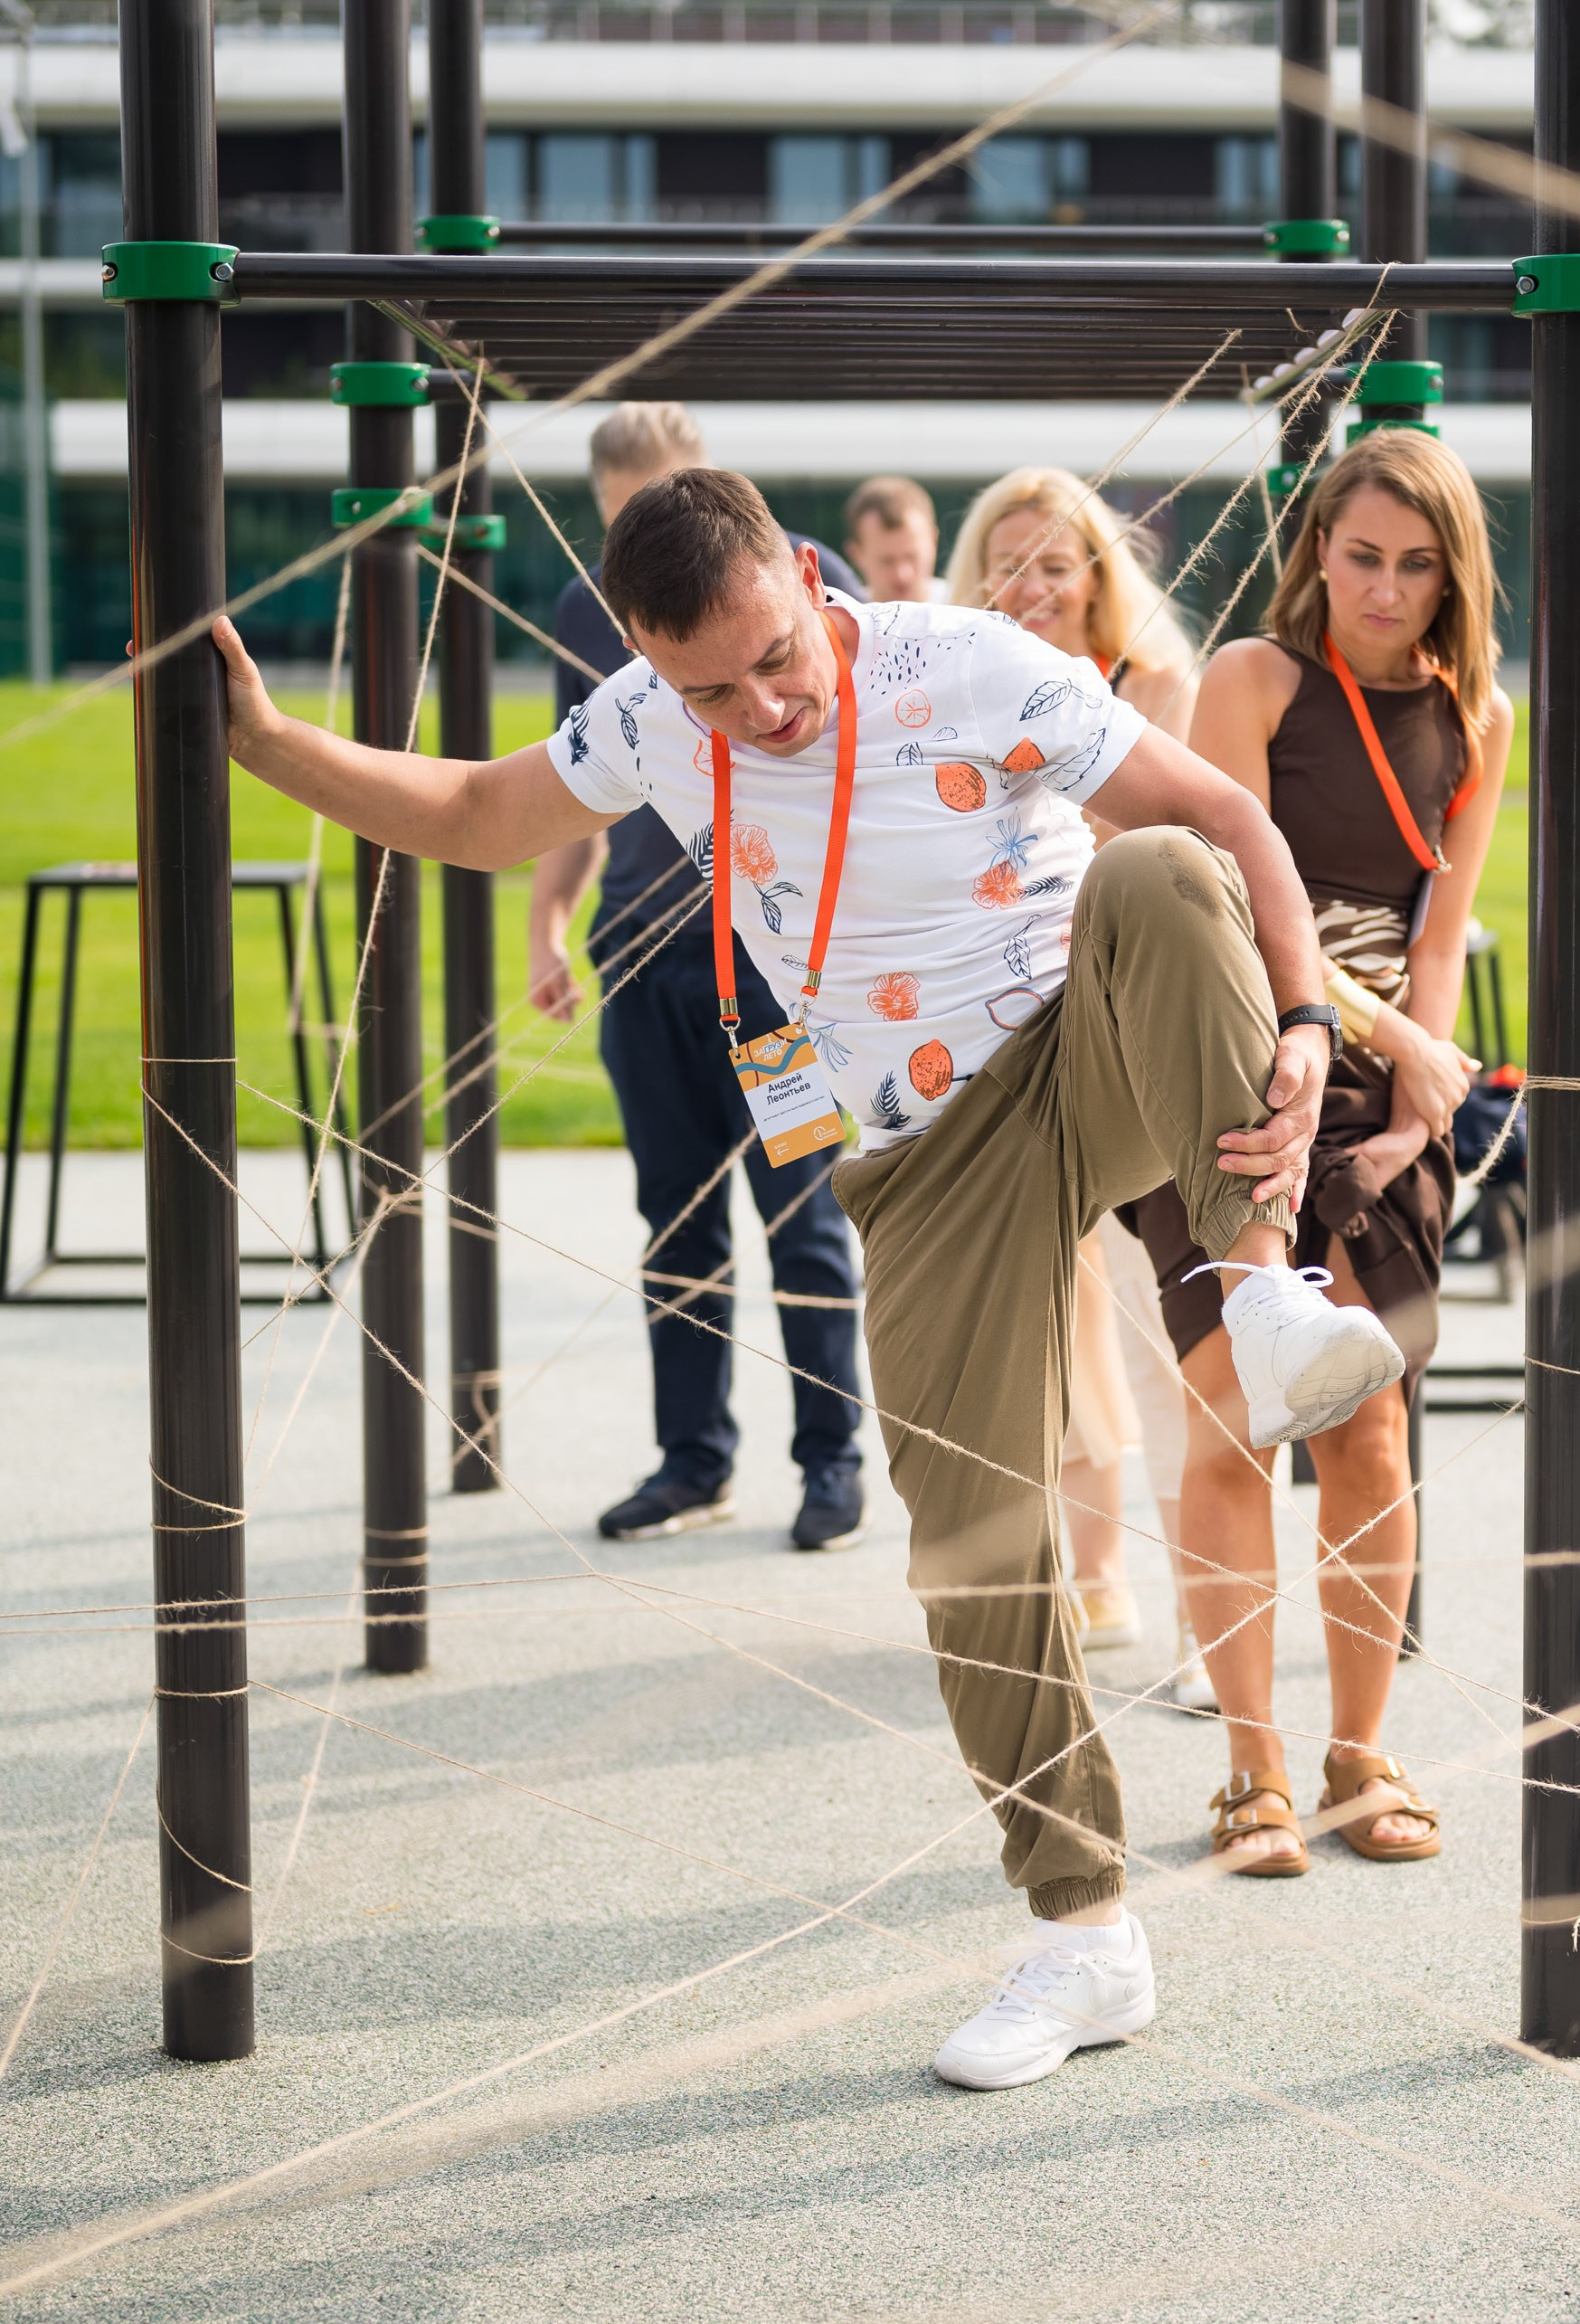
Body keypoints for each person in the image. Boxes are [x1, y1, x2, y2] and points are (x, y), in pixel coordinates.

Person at [211, 465, 1404, 2092]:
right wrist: (269, 746)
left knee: (1154, 871)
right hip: (922, 1151)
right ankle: (1084, 1937)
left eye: (778, 656)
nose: (760, 707)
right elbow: (482, 816)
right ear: (644, 655)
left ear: (801, 575)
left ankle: (1262, 1300)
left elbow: (1235, 825)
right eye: (711, 685)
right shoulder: (649, 721)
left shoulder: (964, 661)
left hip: (1087, 1045)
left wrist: (1316, 1028)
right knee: (971, 1549)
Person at [1121, 426, 1511, 1878]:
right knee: (1234, 1407)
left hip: (1385, 1090)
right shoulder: (1254, 679)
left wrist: (1420, 1101)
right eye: (1363, 557)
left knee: (1370, 1422)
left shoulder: (1479, 716)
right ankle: (1252, 1770)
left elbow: (1441, 931)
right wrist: (1392, 1045)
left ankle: (1360, 1753)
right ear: (1318, 553)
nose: (1387, 588)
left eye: (1418, 565)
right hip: (1231, 1054)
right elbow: (1232, 907)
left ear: (1454, 572)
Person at [527, 403, 869, 1552]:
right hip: (642, 957)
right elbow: (567, 791)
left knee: (801, 1212)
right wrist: (548, 926)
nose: (654, 547)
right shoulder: (587, 612)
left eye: (670, 503)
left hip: (763, 967)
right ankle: (693, 1459)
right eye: (626, 521)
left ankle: (830, 1460)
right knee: (673, 1219)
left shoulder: (783, 606)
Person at [945, 467, 1206, 1694]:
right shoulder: (955, 698)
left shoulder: (1157, 691)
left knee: (1168, 1332)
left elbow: (1184, 858)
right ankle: (1069, 1567)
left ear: (1102, 575)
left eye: (1058, 560)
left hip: (1134, 1043)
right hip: (1001, 1047)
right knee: (1041, 1322)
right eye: (1008, 558)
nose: (1033, 582)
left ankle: (1206, 1605)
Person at [843, 474, 947, 603]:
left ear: (934, 541)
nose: (902, 575)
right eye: (887, 561)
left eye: (912, 557)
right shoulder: (841, 615)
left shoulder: (969, 608)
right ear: (856, 555)